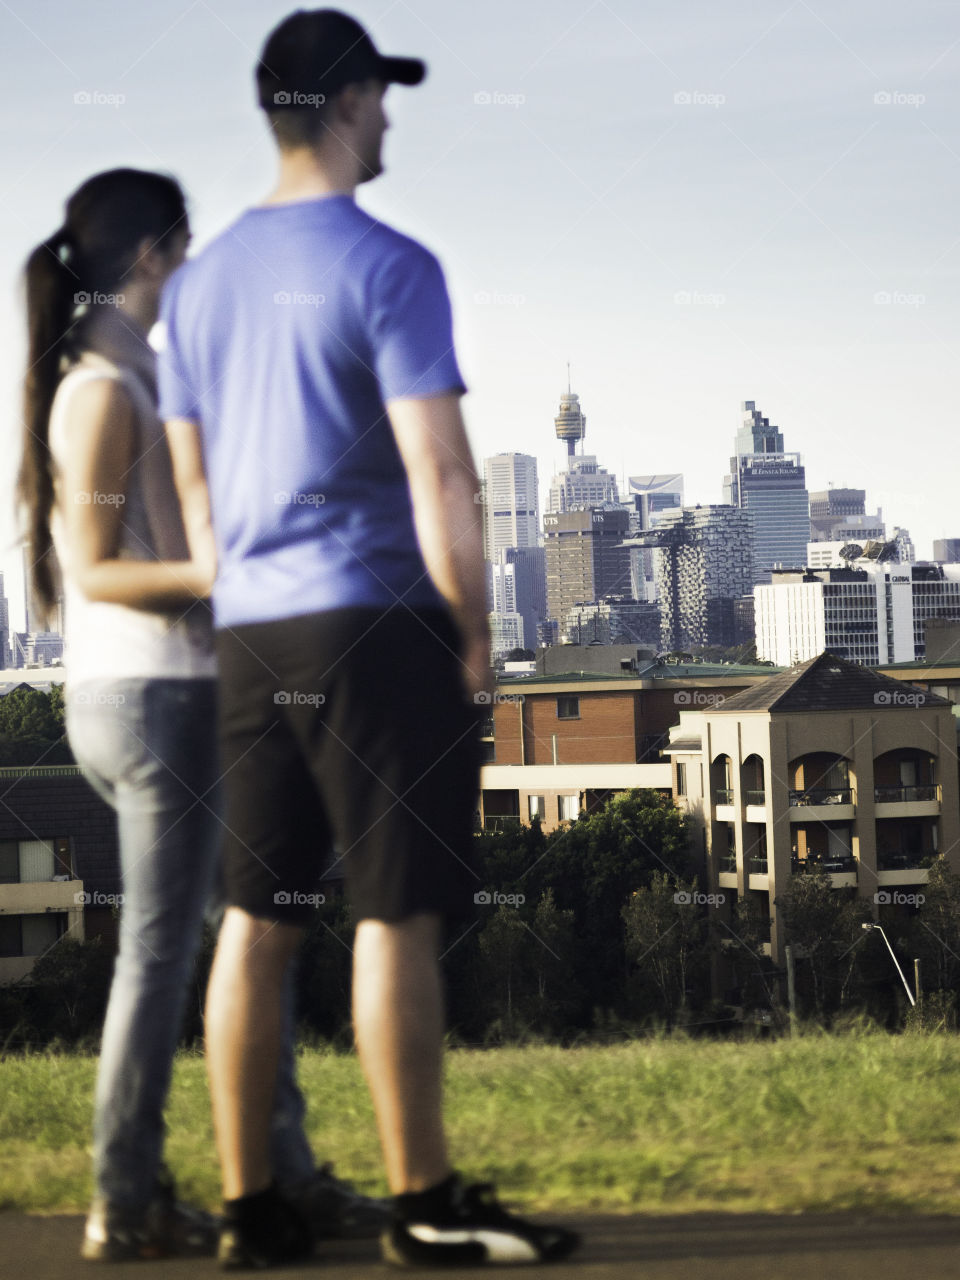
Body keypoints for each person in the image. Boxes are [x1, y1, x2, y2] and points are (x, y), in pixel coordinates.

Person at [159, 9, 580, 1269]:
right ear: (344, 104)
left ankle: (251, 1207)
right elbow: (445, 477)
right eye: (382, 96)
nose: (391, 115)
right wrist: (474, 635)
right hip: (373, 622)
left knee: (258, 913)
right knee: (393, 913)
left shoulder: (199, 282)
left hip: (253, 630)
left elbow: (195, 495)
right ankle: (424, 1201)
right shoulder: (390, 264)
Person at [17, 167, 388, 1263]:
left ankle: (285, 1176)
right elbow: (94, 566)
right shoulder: (99, 387)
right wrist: (222, 569)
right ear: (151, 258)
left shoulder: (133, 373)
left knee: (248, 935)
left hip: (175, 691)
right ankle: (124, 1197)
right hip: (153, 696)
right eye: (183, 253)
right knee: (164, 950)